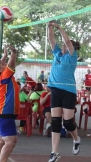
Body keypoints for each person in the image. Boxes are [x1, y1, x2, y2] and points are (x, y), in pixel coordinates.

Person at [47, 21, 81, 162]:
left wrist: (59, 27)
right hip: (55, 90)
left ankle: (76, 138)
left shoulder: (72, 56)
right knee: (55, 122)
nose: (64, 46)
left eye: (66, 46)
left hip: (68, 91)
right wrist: (49, 28)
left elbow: (66, 40)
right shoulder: (57, 54)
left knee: (67, 123)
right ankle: (55, 153)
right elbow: (51, 40)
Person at [0, 45, 19, 162]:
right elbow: (11, 65)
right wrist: (13, 54)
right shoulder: (5, 76)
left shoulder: (0, 77)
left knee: (1, 139)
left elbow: (0, 65)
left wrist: (4, 56)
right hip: (4, 114)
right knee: (11, 141)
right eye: (3, 64)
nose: (5, 64)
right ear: (0, 70)